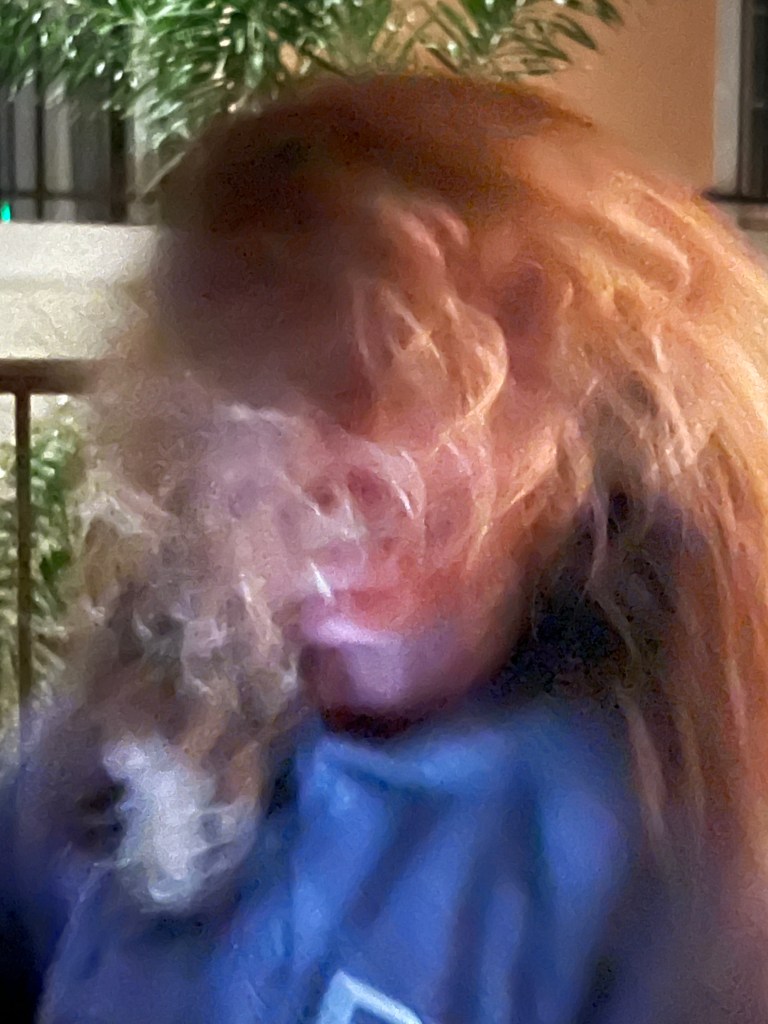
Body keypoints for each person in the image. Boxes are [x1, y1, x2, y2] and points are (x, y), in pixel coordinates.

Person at [3, 71, 768, 1023]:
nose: (329, 468)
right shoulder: (142, 709)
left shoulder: (657, 837)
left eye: (426, 370)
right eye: (270, 405)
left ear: (582, 414)